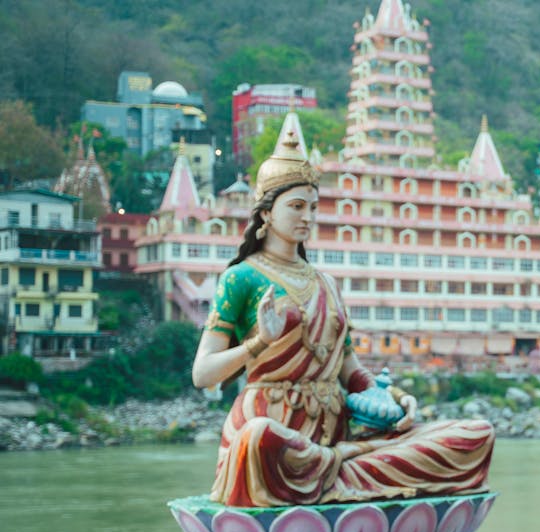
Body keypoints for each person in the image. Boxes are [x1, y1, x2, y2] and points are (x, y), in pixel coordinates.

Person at [192, 113, 494, 508]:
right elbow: (203, 374)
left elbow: (350, 371)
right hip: (276, 441)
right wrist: (258, 344)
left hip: (337, 432)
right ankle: (337, 469)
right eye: (296, 206)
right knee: (259, 436)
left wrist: (392, 398)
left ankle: (338, 468)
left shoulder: (327, 283)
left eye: (313, 207)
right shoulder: (241, 278)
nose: (307, 217)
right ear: (266, 212)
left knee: (476, 433)